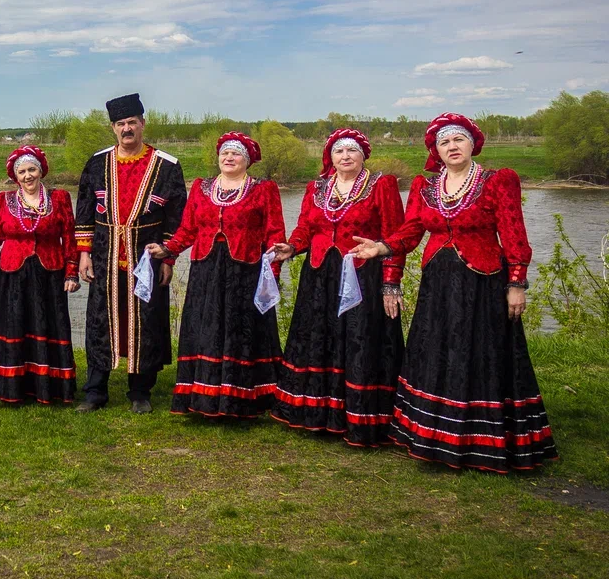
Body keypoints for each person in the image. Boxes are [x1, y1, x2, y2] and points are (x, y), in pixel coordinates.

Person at [351, 112, 558, 472]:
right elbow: (411, 232)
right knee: (437, 352)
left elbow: (513, 234)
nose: (452, 147)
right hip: (438, 283)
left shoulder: (498, 181)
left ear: (472, 143)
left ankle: (481, 441)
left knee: (480, 353)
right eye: (444, 142)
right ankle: (434, 437)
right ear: (436, 150)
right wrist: (381, 248)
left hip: (483, 283)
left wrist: (516, 284)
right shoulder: (425, 187)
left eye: (458, 140)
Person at [268, 128, 405, 446]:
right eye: (339, 151)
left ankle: (358, 418)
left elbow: (394, 237)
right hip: (319, 276)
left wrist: (391, 284)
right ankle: (316, 413)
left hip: (362, 275)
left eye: (352, 151)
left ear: (363, 155)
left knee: (358, 340)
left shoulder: (381, 185)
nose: (346, 156)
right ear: (330, 158)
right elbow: (305, 226)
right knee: (319, 339)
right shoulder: (316, 187)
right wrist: (292, 247)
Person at [146, 132, 286, 419]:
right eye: (224, 153)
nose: (229, 158)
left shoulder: (263, 189)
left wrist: (272, 273)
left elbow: (275, 233)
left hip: (245, 271)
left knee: (240, 329)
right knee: (205, 328)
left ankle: (243, 398)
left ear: (247, 161)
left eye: (236, 154)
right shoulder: (201, 187)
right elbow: (188, 229)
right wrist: (167, 249)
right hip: (206, 270)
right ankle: (204, 396)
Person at [74, 94, 186, 413]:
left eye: (132, 123)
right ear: (113, 128)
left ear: (143, 124)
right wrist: (83, 254)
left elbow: (177, 215)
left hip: (147, 257)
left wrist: (168, 256)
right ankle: (95, 390)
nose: (127, 129)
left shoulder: (167, 165)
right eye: (121, 124)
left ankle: (140, 391)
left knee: (145, 321)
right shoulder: (97, 164)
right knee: (101, 320)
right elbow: (83, 211)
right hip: (105, 256)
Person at [0, 145, 80, 405]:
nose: (28, 176)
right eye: (22, 172)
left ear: (41, 171)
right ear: (15, 176)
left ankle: (48, 388)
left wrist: (72, 272)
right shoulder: (2, 200)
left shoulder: (60, 199)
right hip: (12, 274)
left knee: (47, 326)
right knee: (14, 325)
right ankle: (12, 387)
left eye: (32, 169)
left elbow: (69, 238)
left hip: (49, 273)